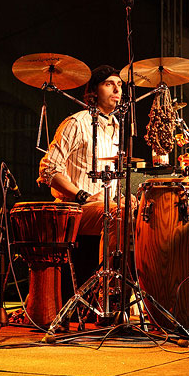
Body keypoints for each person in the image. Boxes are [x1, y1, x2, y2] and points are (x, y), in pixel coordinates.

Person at [37, 65, 127, 282]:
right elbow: (48, 169)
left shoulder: (116, 126)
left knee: (139, 213)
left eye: (120, 85)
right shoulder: (77, 123)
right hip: (74, 208)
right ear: (94, 91)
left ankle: (136, 287)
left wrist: (122, 197)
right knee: (119, 215)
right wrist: (83, 195)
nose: (117, 89)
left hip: (103, 205)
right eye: (109, 84)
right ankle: (106, 286)